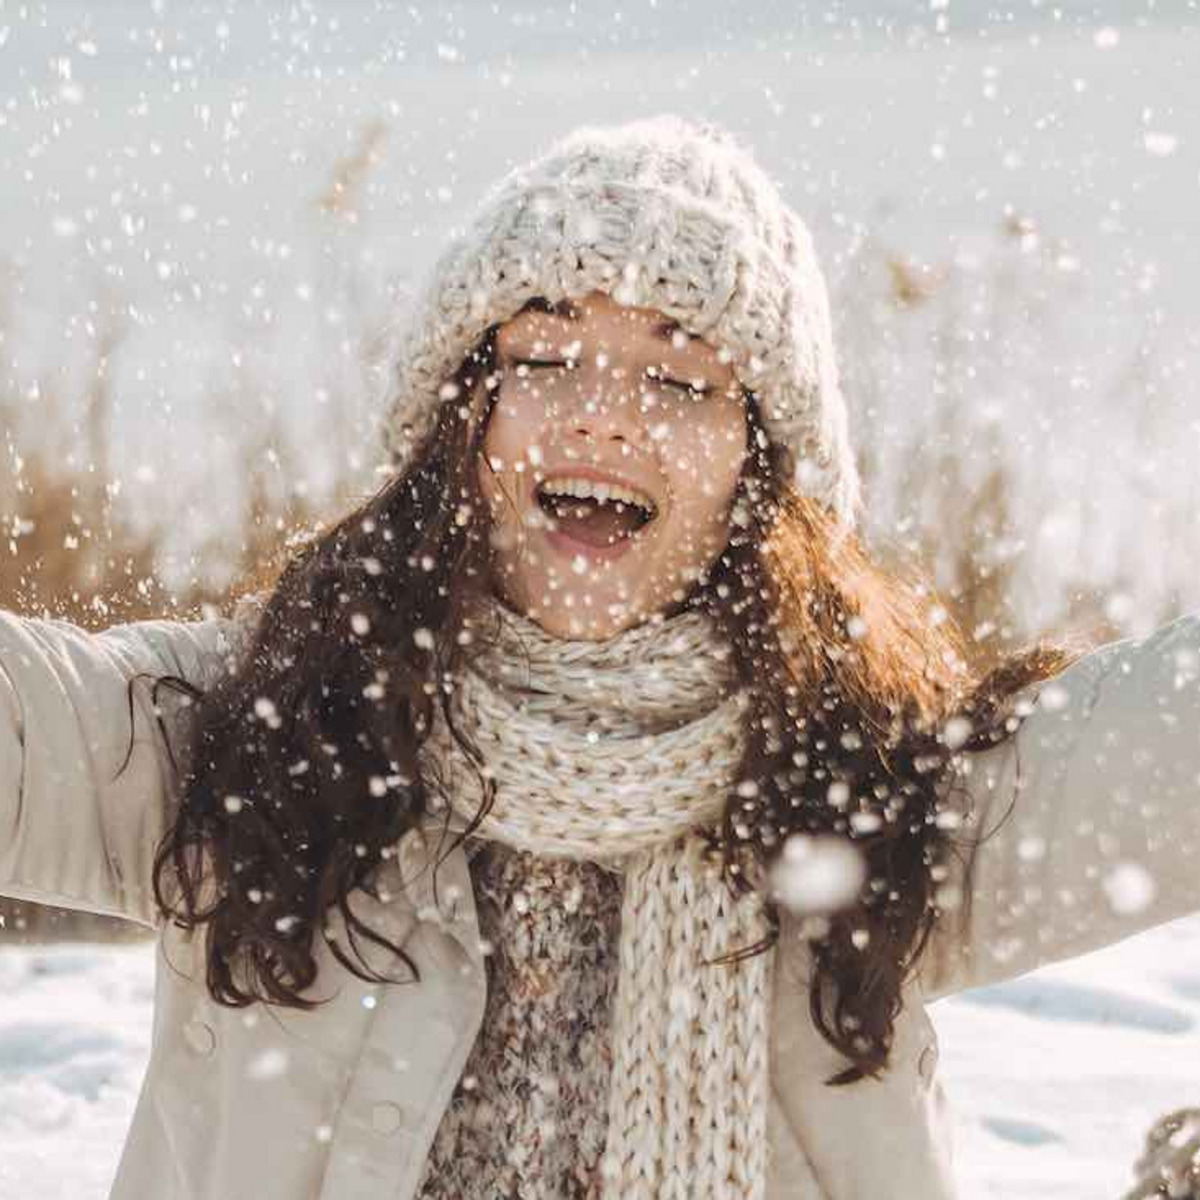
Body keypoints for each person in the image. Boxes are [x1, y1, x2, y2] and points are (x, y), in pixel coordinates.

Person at [2, 113, 1198, 1200]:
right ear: (460, 419)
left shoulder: (867, 784)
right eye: (542, 358)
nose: (603, 413)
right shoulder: (257, 728)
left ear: (755, 473)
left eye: (679, 378)